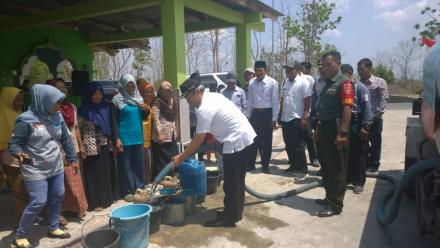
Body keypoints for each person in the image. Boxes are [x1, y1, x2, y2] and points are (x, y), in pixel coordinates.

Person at [173, 78, 256, 227]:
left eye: (188, 97)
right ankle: (234, 213)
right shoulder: (212, 96)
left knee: (232, 183)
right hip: (240, 137)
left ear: (198, 91)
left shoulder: (204, 109)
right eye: (186, 97)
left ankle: (229, 218)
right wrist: (215, 137)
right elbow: (220, 120)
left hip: (237, 141)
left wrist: (181, 157)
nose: (187, 101)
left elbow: (198, 139)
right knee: (236, 181)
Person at [9, 84, 78, 247]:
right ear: (43, 101)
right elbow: (15, 143)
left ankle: (53, 227)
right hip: (34, 167)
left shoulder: (57, 117)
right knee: (39, 201)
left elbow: (66, 140)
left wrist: (73, 158)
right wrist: (17, 152)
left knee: (57, 196)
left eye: (59, 102)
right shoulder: (26, 120)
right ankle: (20, 235)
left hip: (55, 165)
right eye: (55, 103)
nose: (58, 106)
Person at [313, 51, 354, 217]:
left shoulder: (344, 83)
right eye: (324, 64)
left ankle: (336, 205)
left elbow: (347, 108)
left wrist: (343, 133)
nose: (325, 67)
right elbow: (321, 108)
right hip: (323, 129)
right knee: (326, 166)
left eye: (329, 64)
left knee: (337, 168)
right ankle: (329, 197)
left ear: (338, 63)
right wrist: (317, 129)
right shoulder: (327, 82)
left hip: (336, 130)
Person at [49, 78, 88, 217]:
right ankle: (62, 212)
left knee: (75, 179)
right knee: (62, 182)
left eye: (64, 88)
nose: (62, 90)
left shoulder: (72, 107)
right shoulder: (51, 109)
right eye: (58, 88)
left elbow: (75, 127)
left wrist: (81, 145)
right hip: (59, 150)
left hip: (73, 147)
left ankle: (78, 208)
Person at [79, 82, 120, 211]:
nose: (98, 96)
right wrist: (81, 146)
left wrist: (116, 139)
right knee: (93, 174)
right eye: (95, 94)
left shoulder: (106, 107)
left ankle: (107, 199)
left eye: (100, 94)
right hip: (90, 146)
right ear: (90, 94)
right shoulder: (83, 109)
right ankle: (95, 202)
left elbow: (113, 125)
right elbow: (78, 129)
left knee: (106, 172)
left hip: (105, 145)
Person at [112, 74, 148, 202]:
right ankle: (127, 191)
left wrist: (146, 109)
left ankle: (140, 187)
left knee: (138, 164)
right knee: (125, 166)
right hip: (124, 138)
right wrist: (117, 138)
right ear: (123, 85)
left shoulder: (138, 99)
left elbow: (143, 116)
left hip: (137, 137)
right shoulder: (117, 100)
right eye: (128, 85)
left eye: (133, 85)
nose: (131, 87)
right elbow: (114, 121)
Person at [341, 64, 373, 194]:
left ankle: (359, 181)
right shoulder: (342, 87)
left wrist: (366, 126)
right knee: (346, 152)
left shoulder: (360, 87)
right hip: (345, 122)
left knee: (359, 153)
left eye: (342, 74)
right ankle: (348, 178)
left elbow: (367, 108)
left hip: (357, 121)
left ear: (349, 73)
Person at [278, 62, 311, 180]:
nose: (288, 72)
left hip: (297, 118)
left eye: (290, 70)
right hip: (286, 118)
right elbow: (283, 99)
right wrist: (280, 114)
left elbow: (307, 101)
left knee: (298, 145)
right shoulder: (285, 82)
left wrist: (305, 117)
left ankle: (303, 170)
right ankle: (293, 166)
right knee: (288, 144)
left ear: (297, 69)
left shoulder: (303, 82)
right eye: (286, 70)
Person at [0, 87, 27, 222]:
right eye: (16, 100)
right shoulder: (2, 116)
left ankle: (28, 216)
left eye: (21, 100)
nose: (20, 103)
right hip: (10, 161)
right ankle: (22, 220)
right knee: (18, 191)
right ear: (8, 100)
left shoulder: (19, 114)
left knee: (27, 189)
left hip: (25, 158)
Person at [246, 61, 279, 173]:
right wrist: (248, 116)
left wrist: (274, 118)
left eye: (261, 70)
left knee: (266, 142)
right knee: (253, 140)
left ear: (265, 70)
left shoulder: (272, 82)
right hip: (255, 114)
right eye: (256, 71)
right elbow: (249, 100)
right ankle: (250, 164)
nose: (258, 73)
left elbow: (275, 101)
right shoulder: (251, 82)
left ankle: (265, 165)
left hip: (267, 114)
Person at [357, 58, 388, 173]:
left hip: (375, 118)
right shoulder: (358, 84)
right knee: (363, 141)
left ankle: (374, 163)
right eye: (358, 70)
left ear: (370, 68)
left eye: (362, 69)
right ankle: (365, 161)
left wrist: (378, 115)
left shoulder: (379, 82)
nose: (360, 72)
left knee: (375, 141)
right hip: (362, 118)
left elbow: (383, 99)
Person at [151, 81, 179, 177]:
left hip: (171, 136)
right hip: (161, 138)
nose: (168, 92)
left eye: (170, 90)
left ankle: (171, 178)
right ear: (161, 91)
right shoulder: (157, 102)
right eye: (166, 90)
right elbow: (155, 119)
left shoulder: (172, 100)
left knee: (172, 159)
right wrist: (159, 134)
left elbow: (174, 118)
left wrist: (176, 130)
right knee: (162, 161)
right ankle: (161, 181)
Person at [300, 61, 319, 167]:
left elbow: (311, 96)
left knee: (309, 136)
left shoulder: (309, 79)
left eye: (302, 68)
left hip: (307, 112)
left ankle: (314, 158)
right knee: (299, 138)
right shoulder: (290, 80)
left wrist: (308, 112)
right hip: (297, 113)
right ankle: (299, 159)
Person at [137, 79, 156, 184]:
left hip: (149, 141)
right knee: (145, 165)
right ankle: (146, 185)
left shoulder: (150, 105)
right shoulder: (142, 106)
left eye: (150, 92)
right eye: (146, 92)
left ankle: (148, 183)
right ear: (142, 93)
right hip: (142, 140)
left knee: (149, 164)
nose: (148, 94)